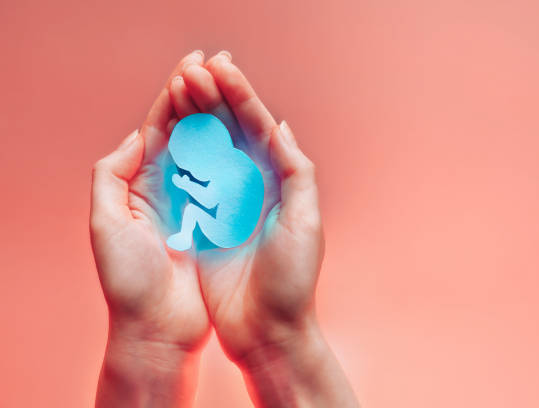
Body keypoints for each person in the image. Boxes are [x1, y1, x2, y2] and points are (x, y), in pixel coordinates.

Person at [89, 50, 360, 407]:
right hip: (224, 229)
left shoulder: (229, 172)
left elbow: (209, 193)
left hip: (227, 230)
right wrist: (147, 339)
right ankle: (186, 234)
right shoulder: (224, 166)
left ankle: (187, 232)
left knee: (194, 216)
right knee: (193, 217)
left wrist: (281, 339)